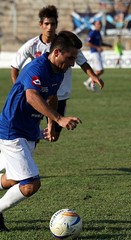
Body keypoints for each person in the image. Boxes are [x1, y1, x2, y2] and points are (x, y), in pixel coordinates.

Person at [0, 31, 82, 231]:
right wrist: (59, 118)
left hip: (29, 130)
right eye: (70, 58)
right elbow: (32, 97)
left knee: (13, 177)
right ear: (56, 52)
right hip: (13, 129)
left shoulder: (58, 70)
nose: (73, 63)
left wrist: (51, 124)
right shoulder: (38, 68)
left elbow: (51, 96)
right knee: (30, 184)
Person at [11, 5, 104, 141]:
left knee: (54, 136)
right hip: (39, 93)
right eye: (46, 24)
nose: (49, 27)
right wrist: (20, 88)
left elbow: (82, 62)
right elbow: (15, 66)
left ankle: (37, 136)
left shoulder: (65, 44)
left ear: (56, 24)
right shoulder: (32, 45)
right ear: (41, 25)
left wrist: (93, 76)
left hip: (60, 94)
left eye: (52, 24)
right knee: (29, 130)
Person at [83, 20, 112, 92]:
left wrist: (108, 45)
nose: (100, 25)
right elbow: (88, 43)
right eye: (99, 24)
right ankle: (88, 82)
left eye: (101, 24)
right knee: (99, 71)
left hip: (97, 53)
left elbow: (100, 43)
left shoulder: (98, 33)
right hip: (94, 53)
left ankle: (90, 83)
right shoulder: (93, 32)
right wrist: (97, 47)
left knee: (100, 71)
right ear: (95, 25)